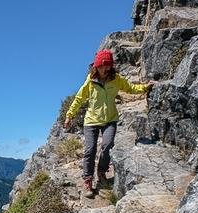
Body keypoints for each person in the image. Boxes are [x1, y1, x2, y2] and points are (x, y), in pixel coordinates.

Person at [64, 49, 154, 198]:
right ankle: (87, 180)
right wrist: (69, 115)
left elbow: (130, 88)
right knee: (90, 149)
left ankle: (102, 172)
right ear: (97, 66)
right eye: (103, 66)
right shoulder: (90, 81)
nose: (106, 69)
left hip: (110, 119)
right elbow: (79, 98)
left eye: (108, 66)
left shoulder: (116, 79)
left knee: (107, 145)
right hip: (91, 121)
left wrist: (145, 87)